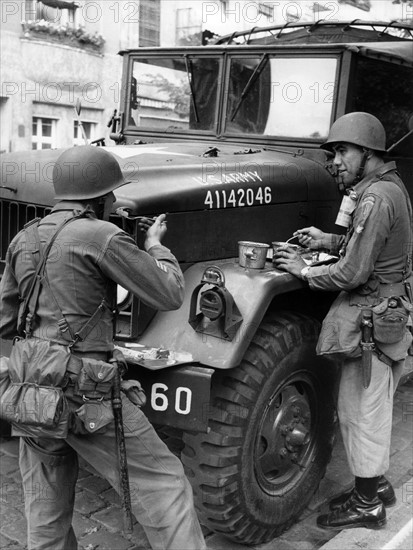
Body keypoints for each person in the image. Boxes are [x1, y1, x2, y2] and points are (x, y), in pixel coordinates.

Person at [0, 145, 206, 550]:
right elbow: (168, 294)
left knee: (45, 506)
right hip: (85, 391)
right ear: (97, 198)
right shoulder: (101, 234)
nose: (114, 200)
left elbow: (4, 320)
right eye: (111, 194)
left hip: (32, 391)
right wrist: (155, 245)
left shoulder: (24, 239)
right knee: (164, 485)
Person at [274, 112, 412, 531]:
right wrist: (328, 239)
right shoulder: (388, 187)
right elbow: (374, 243)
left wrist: (303, 269)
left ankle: (368, 504)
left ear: (367, 153)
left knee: (360, 410)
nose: (334, 160)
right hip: (388, 310)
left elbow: (352, 273)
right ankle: (379, 484)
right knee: (373, 405)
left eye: (342, 151)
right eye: (333, 152)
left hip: (371, 318)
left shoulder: (374, 198)